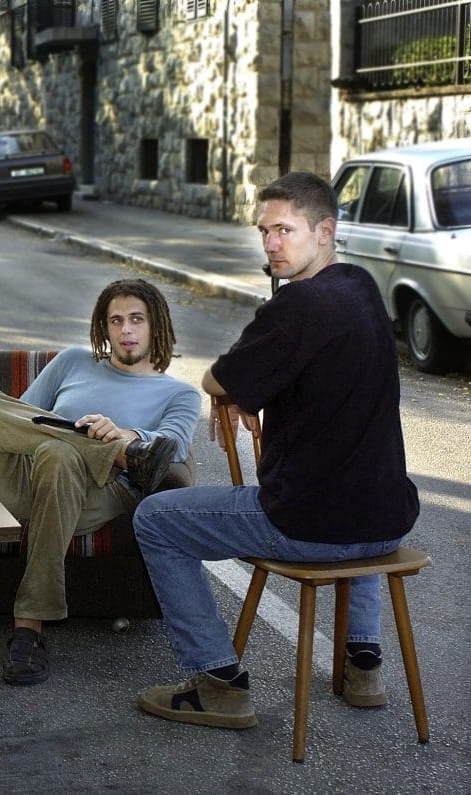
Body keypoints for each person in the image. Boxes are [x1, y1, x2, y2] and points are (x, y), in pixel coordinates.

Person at [132, 172, 419, 729]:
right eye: (264, 231)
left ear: (325, 231)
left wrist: (238, 391)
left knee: (155, 519)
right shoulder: (361, 287)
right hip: (390, 520)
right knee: (350, 491)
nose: (270, 244)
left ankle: (219, 683)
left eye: (284, 230)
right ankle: (363, 664)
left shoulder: (298, 306)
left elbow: (217, 380)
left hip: (306, 523)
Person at [0, 279, 201, 685]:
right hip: (26, 478)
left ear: (155, 325)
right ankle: (115, 455)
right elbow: (23, 418)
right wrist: (95, 439)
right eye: (116, 321)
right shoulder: (72, 361)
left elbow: (172, 447)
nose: (126, 330)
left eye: (136, 320)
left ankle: (29, 627)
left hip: (103, 493)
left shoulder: (178, 393)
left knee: (60, 454)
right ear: (103, 328)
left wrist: (119, 431)